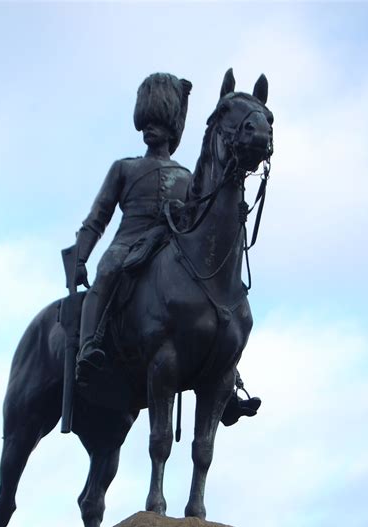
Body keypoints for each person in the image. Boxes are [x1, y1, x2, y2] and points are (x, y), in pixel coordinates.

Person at [68, 72, 260, 422]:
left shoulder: (187, 176)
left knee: (212, 300)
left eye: (158, 124)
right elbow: (97, 218)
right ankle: (88, 347)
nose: (150, 131)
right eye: (147, 125)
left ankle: (227, 380)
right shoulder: (124, 168)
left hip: (168, 244)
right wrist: (82, 254)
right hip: (129, 242)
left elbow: (196, 220)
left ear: (172, 130)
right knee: (108, 271)